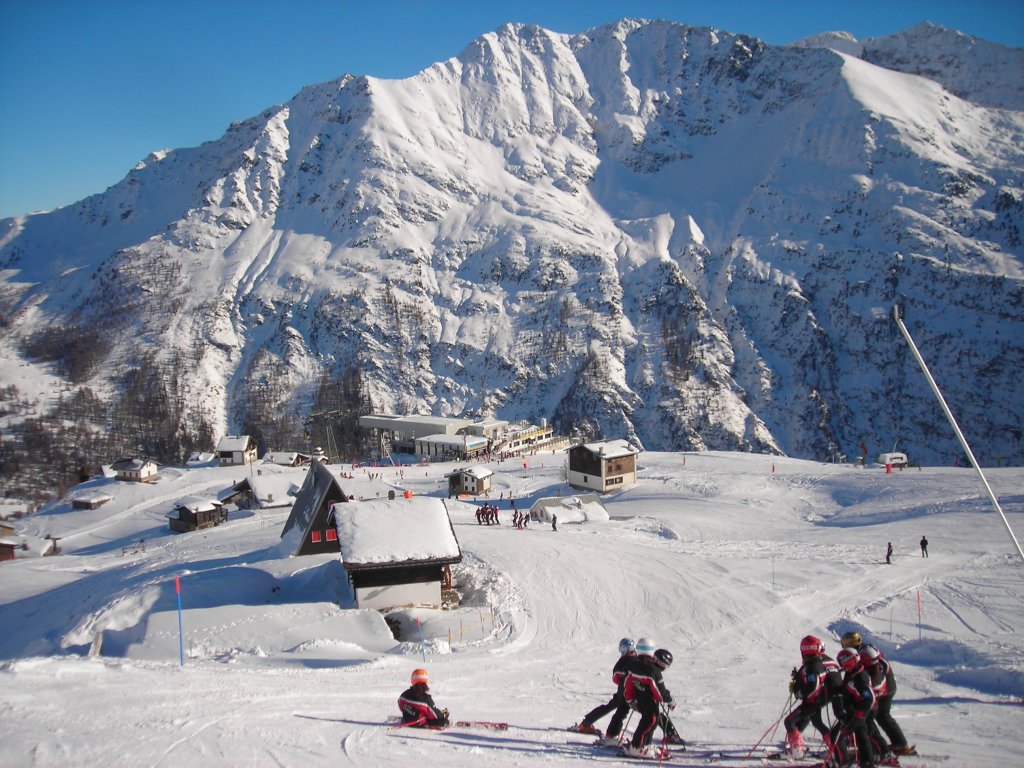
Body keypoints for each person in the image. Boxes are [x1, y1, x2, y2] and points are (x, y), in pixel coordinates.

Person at [843, 637, 916, 759]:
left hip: (883, 687)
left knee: (870, 717)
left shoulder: (864, 656)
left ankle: (879, 750)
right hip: (886, 685)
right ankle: (899, 744)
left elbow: (870, 681)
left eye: (846, 644)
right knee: (880, 715)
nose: (844, 646)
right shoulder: (868, 650)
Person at [783, 635, 844, 758]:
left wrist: (799, 692)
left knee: (789, 721)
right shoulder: (823, 659)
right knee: (817, 722)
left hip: (816, 698)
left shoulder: (813, 664)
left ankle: (796, 752)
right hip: (832, 695)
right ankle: (834, 749)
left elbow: (813, 684)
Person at [622, 639, 678, 758]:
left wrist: (630, 699)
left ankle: (644, 745)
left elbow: (627, 683)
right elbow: (660, 692)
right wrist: (670, 701)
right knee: (650, 720)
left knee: (649, 721)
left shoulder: (635, 664)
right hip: (649, 701)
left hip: (639, 699)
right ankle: (637, 747)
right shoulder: (653, 670)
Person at [572, 637, 637, 739]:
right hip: (637, 692)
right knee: (649, 711)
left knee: (613, 708)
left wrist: (622, 682)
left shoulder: (622, 661)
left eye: (624, 649)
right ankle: (670, 733)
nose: (624, 652)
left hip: (623, 692)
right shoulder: (639, 660)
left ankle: (586, 724)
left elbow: (615, 678)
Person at [830, 649, 877, 768]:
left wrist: (859, 713)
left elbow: (869, 698)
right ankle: (866, 762)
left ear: (852, 659)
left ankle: (845, 763)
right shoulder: (852, 672)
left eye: (843, 660)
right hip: (854, 711)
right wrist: (837, 691)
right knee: (861, 734)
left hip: (860, 712)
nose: (841, 663)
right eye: (840, 660)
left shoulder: (860, 677)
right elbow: (847, 687)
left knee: (839, 735)